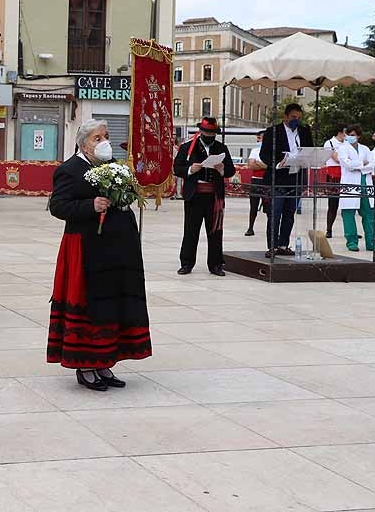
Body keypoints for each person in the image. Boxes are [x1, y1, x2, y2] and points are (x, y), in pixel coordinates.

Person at [48, 119, 151, 391]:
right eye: (97, 138)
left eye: (105, 136)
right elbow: (58, 206)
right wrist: (90, 205)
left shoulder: (114, 167)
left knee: (113, 304)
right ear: (83, 143)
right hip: (87, 247)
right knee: (91, 304)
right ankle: (85, 364)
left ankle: (105, 361)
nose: (103, 141)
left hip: (118, 247)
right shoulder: (69, 169)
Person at [173, 117, 236, 276]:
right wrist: (190, 170)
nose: (209, 135)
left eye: (212, 133)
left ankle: (215, 264)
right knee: (191, 230)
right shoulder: (188, 147)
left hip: (214, 196)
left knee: (215, 231)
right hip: (194, 195)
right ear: (200, 131)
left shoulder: (221, 148)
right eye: (207, 132)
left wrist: (222, 170)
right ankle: (186, 263)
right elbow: (177, 167)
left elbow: (231, 170)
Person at [260, 103, 315, 257]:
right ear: (285, 116)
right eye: (293, 117)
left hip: (296, 177)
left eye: (298, 118)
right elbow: (264, 154)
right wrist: (278, 163)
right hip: (278, 177)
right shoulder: (273, 132)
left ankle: (283, 245)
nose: (295, 120)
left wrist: (306, 159)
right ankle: (272, 246)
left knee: (289, 214)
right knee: (275, 214)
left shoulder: (304, 131)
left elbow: (309, 150)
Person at [337, 125, 375, 253]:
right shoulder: (342, 148)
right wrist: (362, 164)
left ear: (358, 136)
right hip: (350, 185)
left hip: (366, 184)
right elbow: (347, 165)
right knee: (348, 214)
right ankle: (351, 242)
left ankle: (372, 242)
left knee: (369, 214)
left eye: (353, 135)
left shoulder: (365, 149)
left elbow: (373, 165)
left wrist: (359, 165)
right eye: (348, 135)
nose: (350, 137)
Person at [323, 125, 347, 238]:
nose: (346, 136)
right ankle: (329, 229)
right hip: (334, 175)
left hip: (346, 174)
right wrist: (346, 159)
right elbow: (336, 158)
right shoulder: (330, 143)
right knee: (333, 204)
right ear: (340, 132)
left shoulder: (347, 144)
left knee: (349, 204)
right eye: (345, 133)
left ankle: (350, 230)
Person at [246, 130, 266, 236]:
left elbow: (271, 166)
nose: (258, 140)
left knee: (269, 207)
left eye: (260, 138)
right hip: (256, 180)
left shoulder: (270, 151)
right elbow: (251, 165)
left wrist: (259, 164)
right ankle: (250, 227)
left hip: (266, 180)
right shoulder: (255, 151)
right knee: (253, 206)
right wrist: (263, 165)